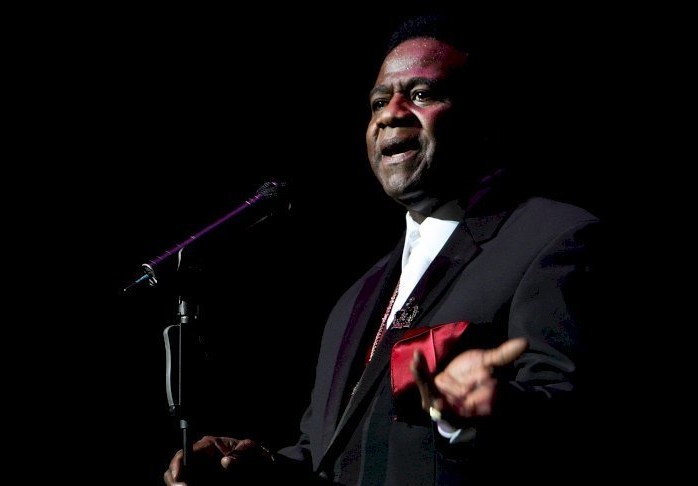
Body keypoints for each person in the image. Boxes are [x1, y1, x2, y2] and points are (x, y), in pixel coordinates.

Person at [164, 14, 605, 485]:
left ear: (482, 118)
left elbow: (572, 415)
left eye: (420, 95)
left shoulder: (554, 238)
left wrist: (478, 412)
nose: (390, 114)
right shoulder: (356, 298)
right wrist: (262, 467)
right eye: (378, 101)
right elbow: (328, 456)